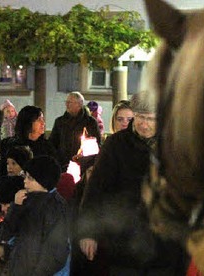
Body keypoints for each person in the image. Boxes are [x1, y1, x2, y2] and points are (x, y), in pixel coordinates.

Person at [78, 92, 187, 274]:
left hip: (165, 245)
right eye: (140, 118)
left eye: (150, 119)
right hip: (124, 241)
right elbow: (96, 188)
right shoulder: (116, 144)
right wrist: (89, 231)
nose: (143, 124)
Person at [0, 155, 69, 275]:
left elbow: (56, 253)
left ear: (43, 180)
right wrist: (4, 250)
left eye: (30, 178)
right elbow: (10, 235)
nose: (25, 181)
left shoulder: (55, 208)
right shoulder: (27, 200)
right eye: (25, 176)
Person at [0, 105, 56, 184]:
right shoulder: (10, 145)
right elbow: (2, 173)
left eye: (43, 119)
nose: (43, 123)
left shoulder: (47, 147)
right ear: (28, 123)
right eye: (38, 120)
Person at [49, 92, 101, 170]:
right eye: (66, 102)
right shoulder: (60, 122)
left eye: (69, 102)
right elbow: (52, 143)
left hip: (83, 165)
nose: (66, 105)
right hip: (63, 165)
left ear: (79, 104)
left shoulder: (90, 122)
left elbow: (97, 144)